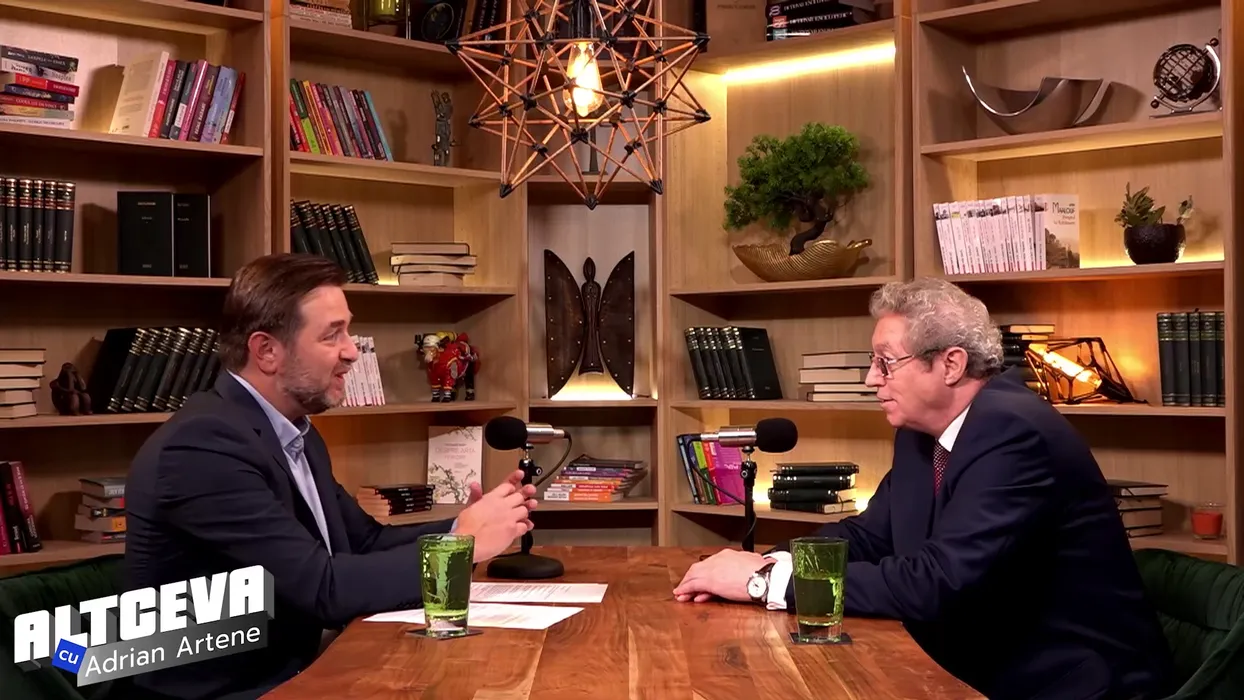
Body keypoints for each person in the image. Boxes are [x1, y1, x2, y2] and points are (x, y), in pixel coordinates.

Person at [673, 277, 1175, 700]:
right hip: (971, 660)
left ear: (951, 364)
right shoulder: (922, 432)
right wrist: (768, 561)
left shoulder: (1012, 430)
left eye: (885, 362)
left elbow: (939, 582)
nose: (871, 379)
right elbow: (870, 536)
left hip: (1067, 682)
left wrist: (766, 583)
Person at [124, 253, 538, 700]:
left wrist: (464, 524)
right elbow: (322, 588)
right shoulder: (203, 447)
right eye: (331, 335)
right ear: (266, 351)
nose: (351, 351)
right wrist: (462, 546)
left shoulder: (295, 432)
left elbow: (364, 542)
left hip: (301, 670)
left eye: (348, 331)